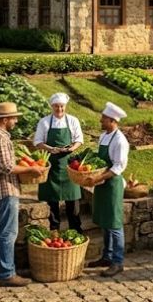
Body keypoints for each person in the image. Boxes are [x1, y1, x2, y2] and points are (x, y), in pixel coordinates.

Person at [0, 102, 48, 287]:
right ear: (5, 119)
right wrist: (32, 168)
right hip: (5, 190)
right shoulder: (1, 138)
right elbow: (5, 167)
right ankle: (7, 274)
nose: (16, 121)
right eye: (14, 117)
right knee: (8, 234)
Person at [83, 102, 129, 277]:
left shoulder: (120, 141)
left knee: (115, 223)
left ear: (112, 120)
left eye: (103, 118)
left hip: (112, 185)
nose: (101, 120)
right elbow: (100, 159)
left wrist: (98, 178)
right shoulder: (104, 136)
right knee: (105, 222)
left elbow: (118, 167)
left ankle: (118, 262)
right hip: (101, 185)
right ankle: (107, 256)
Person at [33, 93, 83, 232]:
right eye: (56, 106)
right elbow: (37, 142)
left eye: (61, 106)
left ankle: (76, 230)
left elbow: (79, 139)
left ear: (65, 106)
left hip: (69, 165)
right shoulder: (44, 122)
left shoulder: (73, 121)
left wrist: (71, 148)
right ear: (52, 106)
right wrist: (51, 149)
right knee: (52, 201)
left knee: (72, 200)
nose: (59, 109)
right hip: (51, 166)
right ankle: (54, 231)